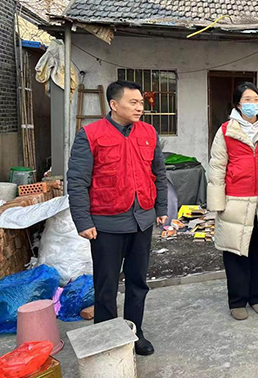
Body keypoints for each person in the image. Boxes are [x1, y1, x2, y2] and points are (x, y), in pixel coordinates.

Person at [67, 80, 167, 356]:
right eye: (133, 103)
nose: (139, 108)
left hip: (142, 220)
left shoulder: (148, 132)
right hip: (106, 224)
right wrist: (83, 221)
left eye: (141, 103)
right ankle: (107, 339)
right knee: (106, 286)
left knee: (138, 282)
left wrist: (161, 209)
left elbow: (158, 173)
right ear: (114, 104)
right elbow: (77, 181)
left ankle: (135, 332)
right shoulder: (90, 135)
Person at [207, 82, 258, 321]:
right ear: (238, 104)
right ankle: (237, 300)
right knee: (236, 252)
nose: (252, 104)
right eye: (247, 100)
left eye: (256, 99)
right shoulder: (226, 131)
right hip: (236, 201)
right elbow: (217, 167)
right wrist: (217, 204)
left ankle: (256, 295)